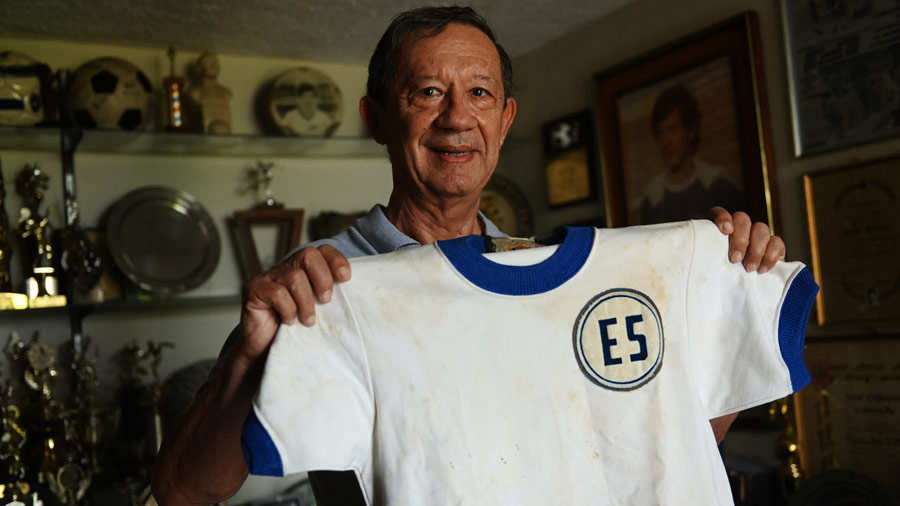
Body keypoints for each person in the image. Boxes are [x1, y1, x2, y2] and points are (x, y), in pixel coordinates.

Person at [152, 7, 787, 505]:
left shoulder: (548, 280)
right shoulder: (316, 288)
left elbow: (661, 450)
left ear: (505, 121)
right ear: (377, 118)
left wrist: (729, 302)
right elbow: (183, 493)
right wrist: (245, 358)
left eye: (480, 93)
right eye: (428, 92)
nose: (457, 117)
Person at [638, 84, 746, 225]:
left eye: (672, 130)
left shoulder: (719, 186)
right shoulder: (652, 199)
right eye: (660, 133)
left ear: (690, 132)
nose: (665, 141)